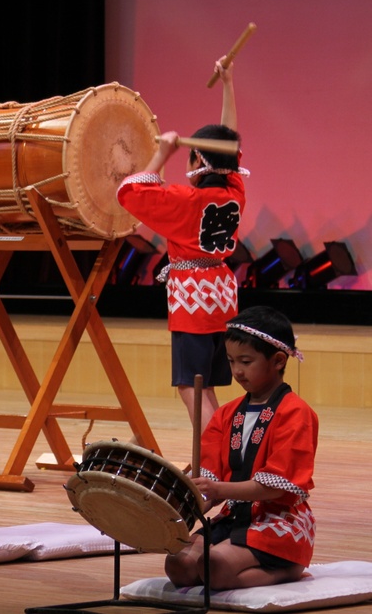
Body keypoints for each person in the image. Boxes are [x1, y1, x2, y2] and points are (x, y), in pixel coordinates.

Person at [116, 57, 247, 430]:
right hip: (223, 295)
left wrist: (162, 153)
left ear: (197, 161)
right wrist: (229, 84)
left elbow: (129, 191)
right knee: (205, 388)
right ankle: (219, 453)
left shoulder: (185, 203)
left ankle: (214, 460)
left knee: (190, 386)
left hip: (193, 299)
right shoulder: (234, 191)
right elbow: (228, 145)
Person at [164, 306, 317, 590]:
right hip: (237, 516)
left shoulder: (296, 413)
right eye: (231, 361)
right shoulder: (226, 415)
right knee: (178, 565)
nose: (237, 371)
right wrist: (179, 512)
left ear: (278, 360)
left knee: (215, 567)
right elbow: (208, 482)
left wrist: (220, 490)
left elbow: (276, 487)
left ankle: (288, 570)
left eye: (246, 361)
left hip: (280, 520)